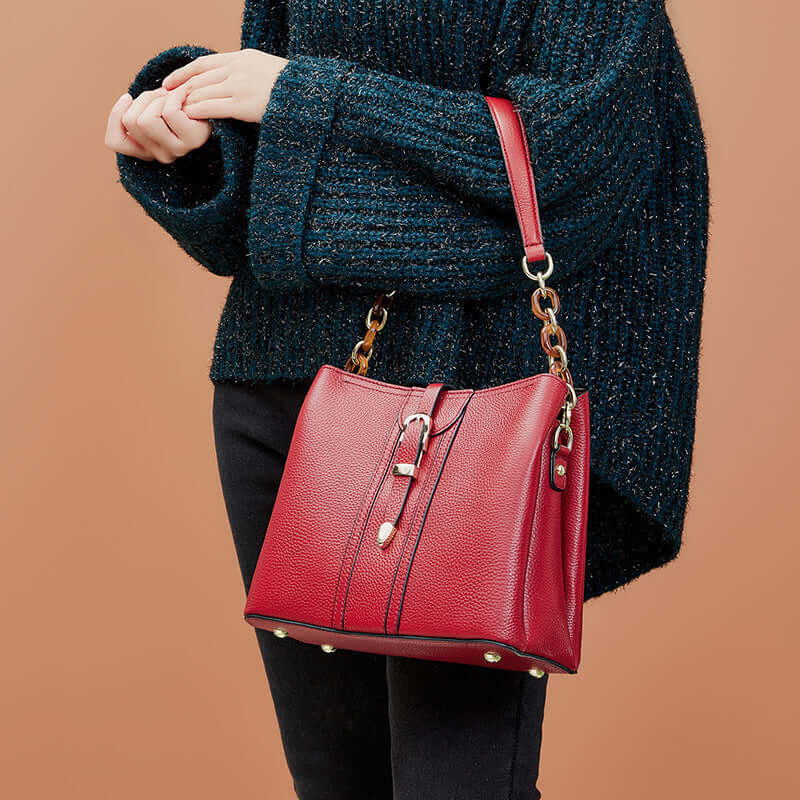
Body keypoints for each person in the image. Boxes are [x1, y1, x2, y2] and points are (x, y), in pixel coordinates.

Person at [104, 1, 708, 797]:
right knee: (335, 786)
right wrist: (196, 149)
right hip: (283, 397)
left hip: (473, 419)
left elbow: (566, 167)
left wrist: (304, 98)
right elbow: (276, 193)